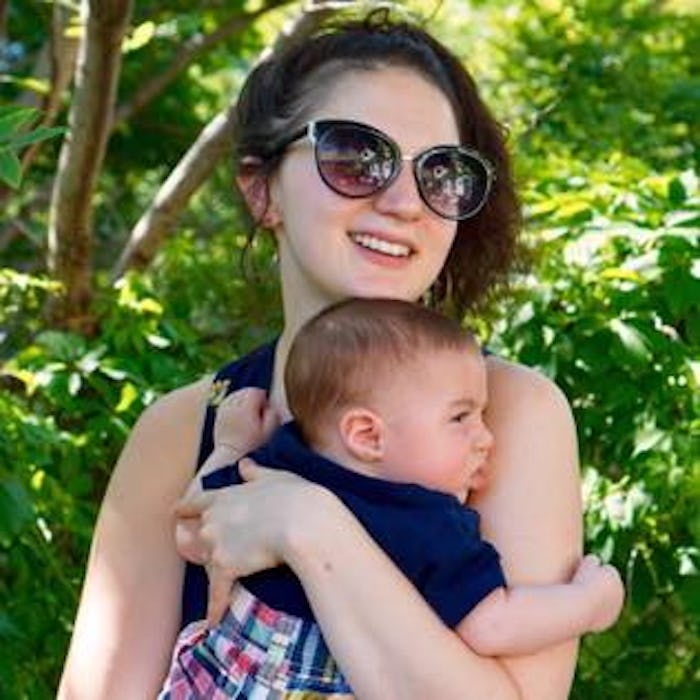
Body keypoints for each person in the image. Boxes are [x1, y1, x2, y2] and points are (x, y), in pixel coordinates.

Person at [58, 9, 593, 699]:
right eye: (354, 155)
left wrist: (305, 525)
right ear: (262, 189)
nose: (405, 202)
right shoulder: (181, 430)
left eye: (442, 172)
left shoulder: (510, 416)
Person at [158, 298, 624, 698]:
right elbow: (491, 625)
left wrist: (230, 448)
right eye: (461, 418)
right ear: (367, 434)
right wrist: (589, 604)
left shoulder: (282, 458)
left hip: (217, 681)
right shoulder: (430, 522)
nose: (486, 438)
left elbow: (193, 534)